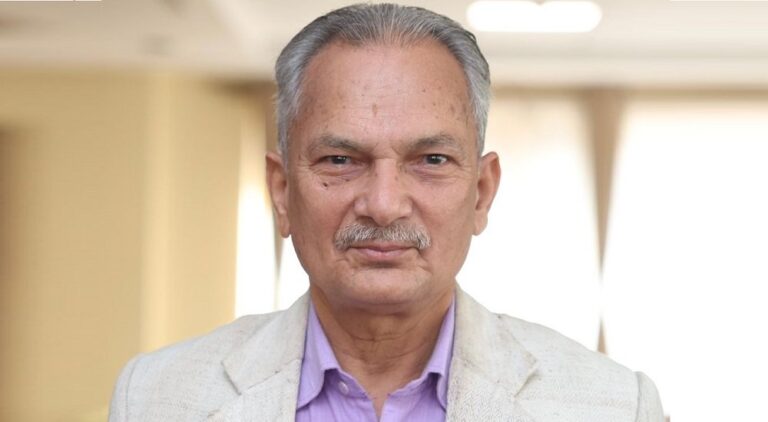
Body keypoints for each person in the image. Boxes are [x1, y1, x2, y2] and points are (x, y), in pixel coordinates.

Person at [109, 4, 663, 421]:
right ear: (281, 193)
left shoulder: (612, 405)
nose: (383, 203)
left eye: (432, 159)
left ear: (480, 192)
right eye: (341, 159)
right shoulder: (157, 397)